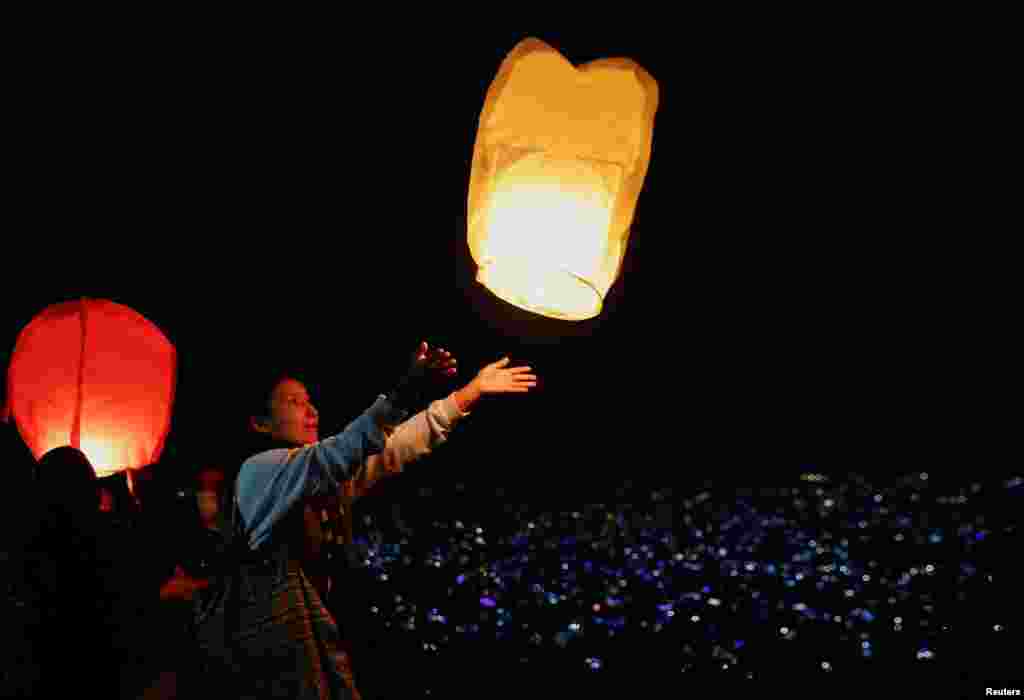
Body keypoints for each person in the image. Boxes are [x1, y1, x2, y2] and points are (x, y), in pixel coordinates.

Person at [192, 342, 537, 699]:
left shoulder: (315, 484)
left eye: (309, 399)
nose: (311, 410)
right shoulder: (260, 472)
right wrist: (406, 389)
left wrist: (471, 391)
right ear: (260, 423)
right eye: (294, 402)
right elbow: (346, 450)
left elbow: (392, 448)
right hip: (266, 660)